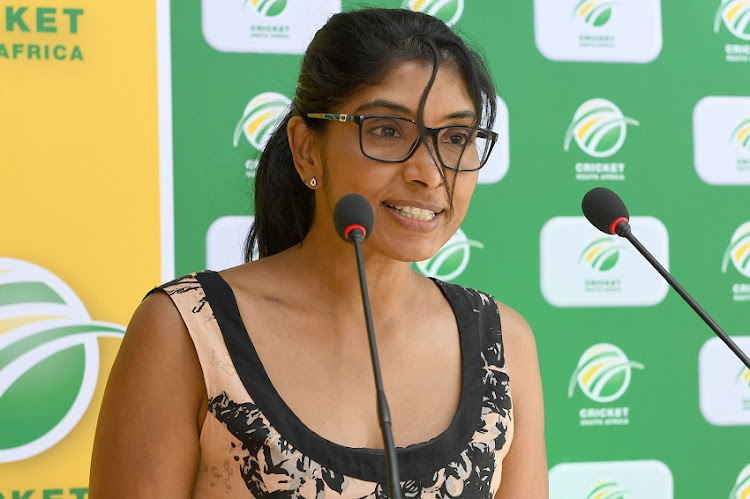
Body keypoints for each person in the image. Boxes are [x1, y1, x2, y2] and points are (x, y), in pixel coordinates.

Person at [89, 7, 547, 498]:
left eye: (456, 138)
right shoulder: (187, 331)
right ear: (308, 148)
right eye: (388, 131)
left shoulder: (501, 344)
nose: (429, 173)